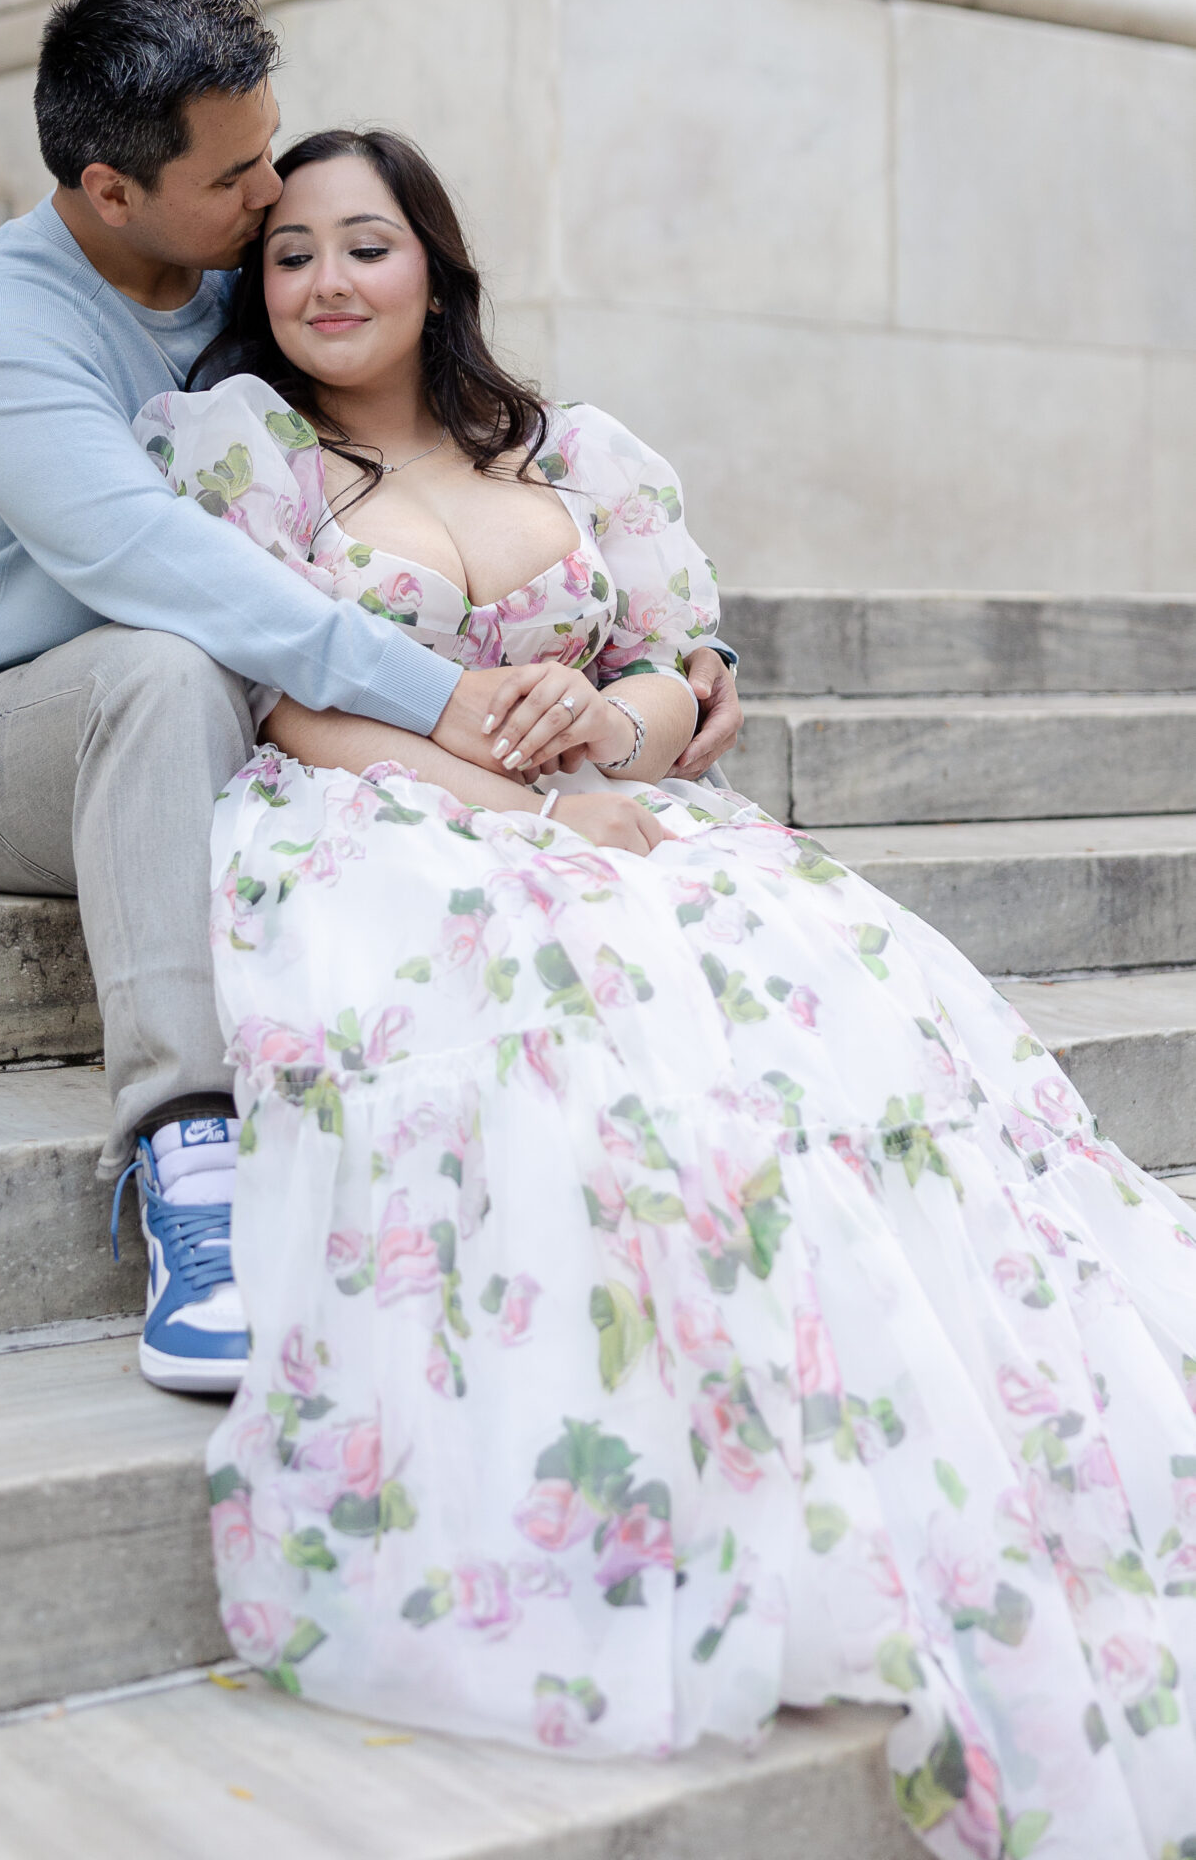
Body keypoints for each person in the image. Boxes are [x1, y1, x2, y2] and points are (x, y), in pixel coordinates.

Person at [134, 128, 1196, 1860]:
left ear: (436, 268)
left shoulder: (579, 456)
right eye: (292, 254)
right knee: (564, 1012)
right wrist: (522, 793)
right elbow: (275, 699)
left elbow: (682, 685)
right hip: (389, 819)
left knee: (831, 990)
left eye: (368, 245)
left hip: (635, 810)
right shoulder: (248, 455)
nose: (328, 282)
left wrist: (599, 736)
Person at [0, 0, 748, 1394]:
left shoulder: (247, 258)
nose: (271, 199)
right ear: (112, 191)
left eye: (268, 146)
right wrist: (438, 697)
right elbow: (162, 566)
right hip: (11, 740)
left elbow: (436, 427)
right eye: (237, 180)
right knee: (164, 664)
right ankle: (185, 1154)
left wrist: (679, 658)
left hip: (277, 734)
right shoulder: (4, 327)